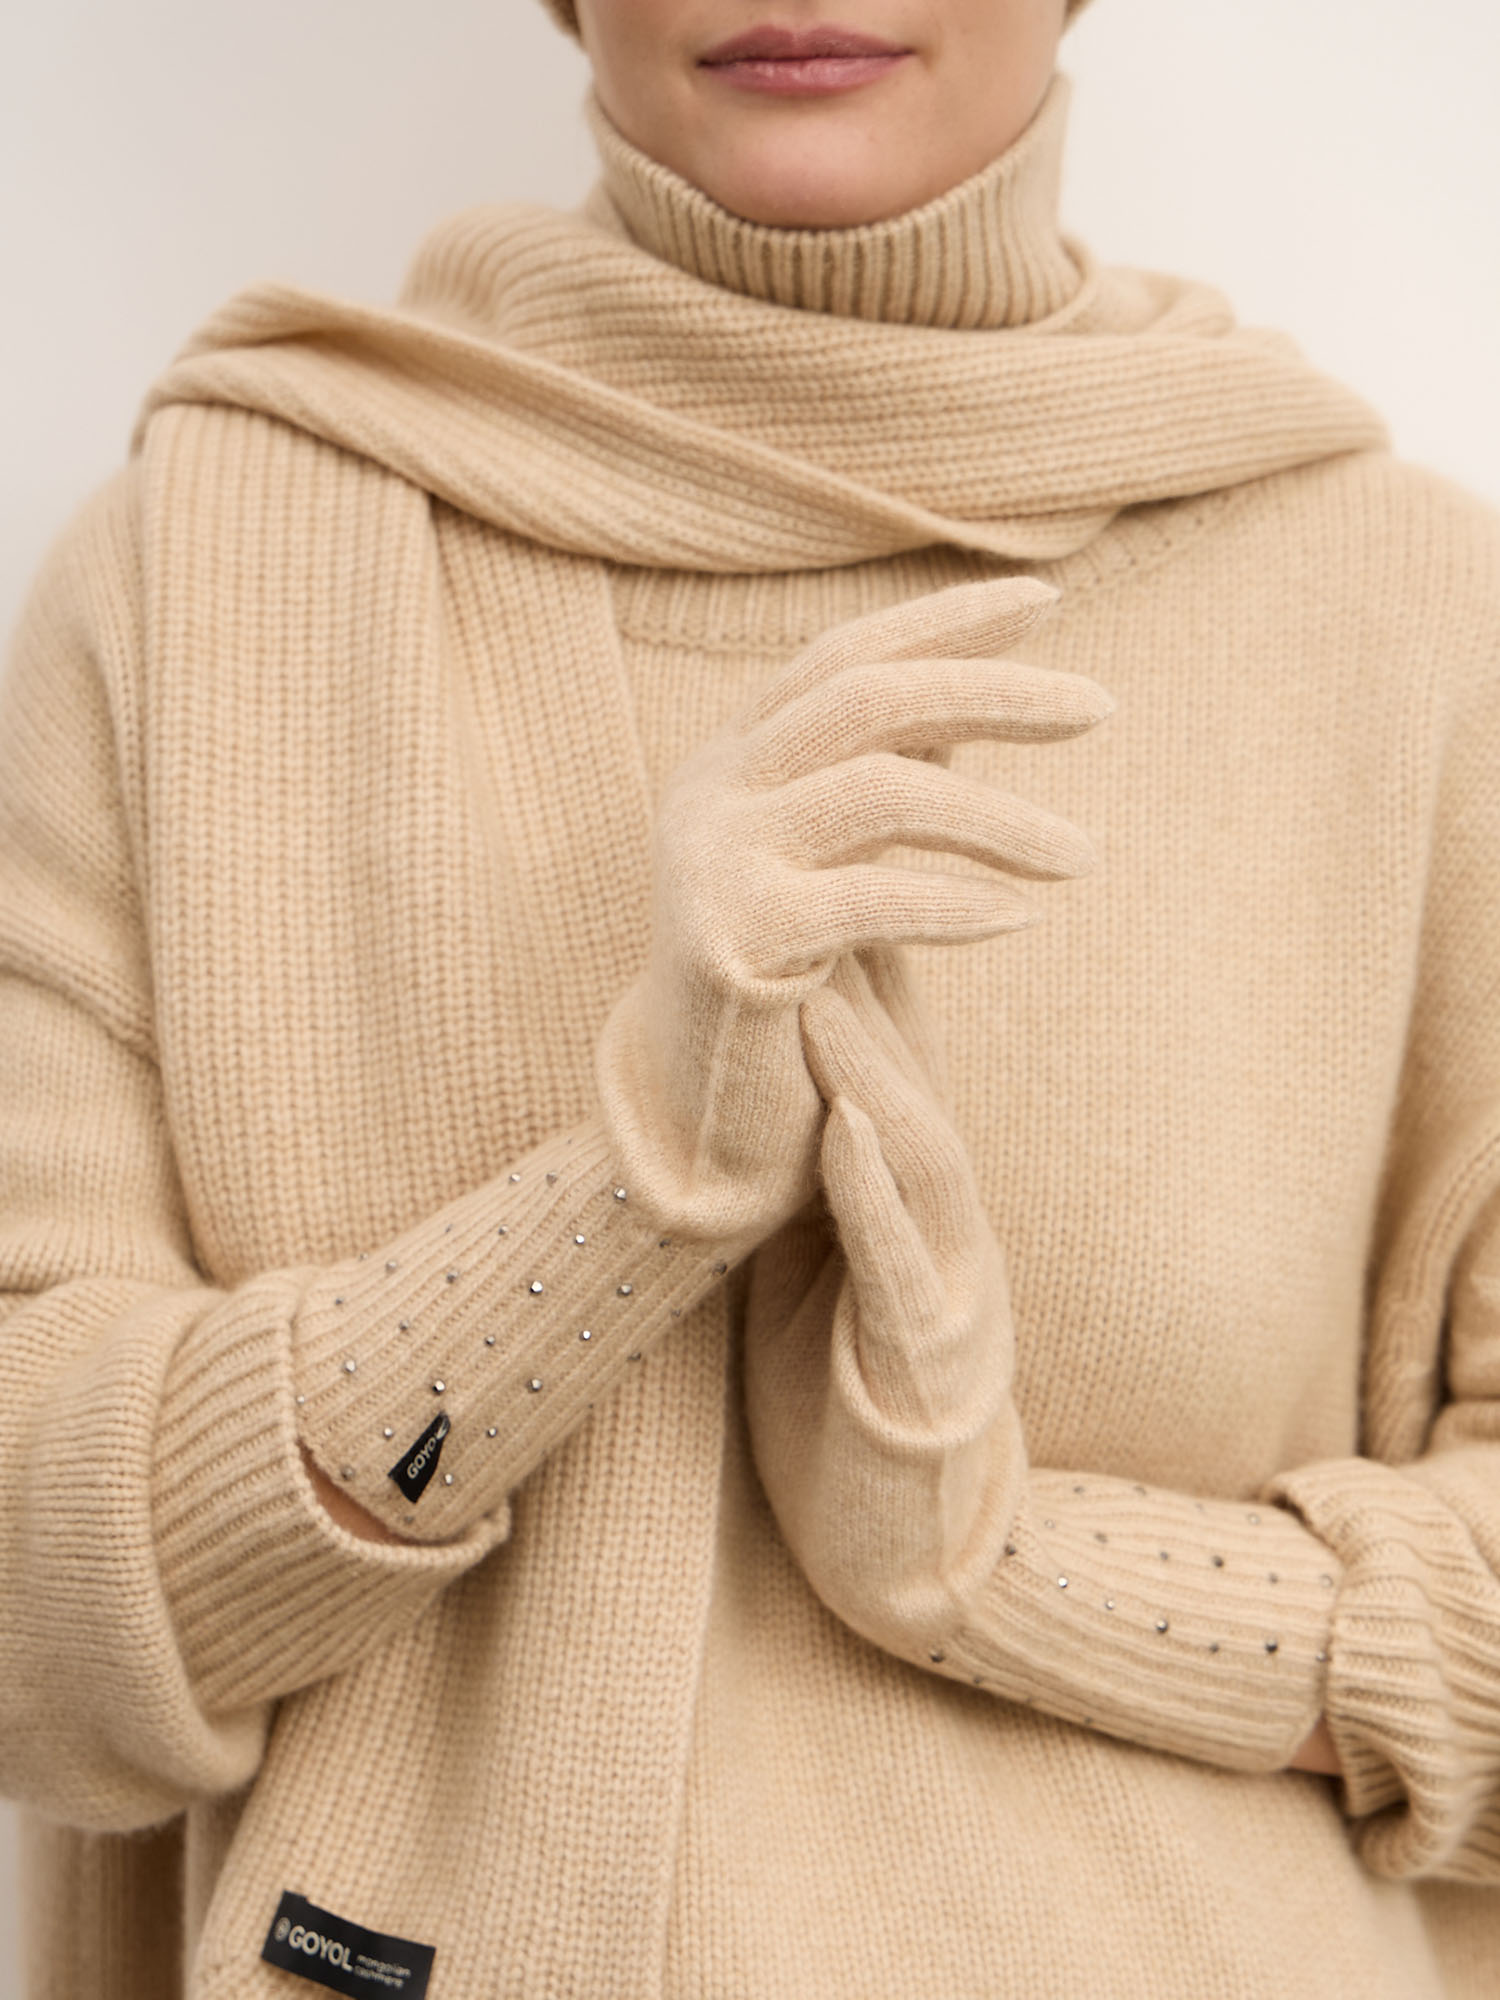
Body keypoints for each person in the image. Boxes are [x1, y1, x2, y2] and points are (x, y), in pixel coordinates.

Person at [1, 0, 1496, 1993]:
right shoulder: (196, 582)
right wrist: (624, 1199)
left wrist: (993, 1568)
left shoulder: (1411, 622)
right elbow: (25, 1613)